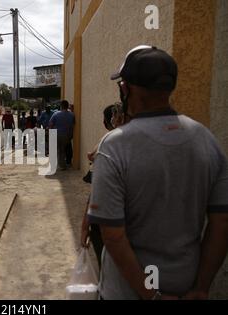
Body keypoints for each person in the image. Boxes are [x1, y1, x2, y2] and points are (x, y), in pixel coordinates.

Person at [87, 45, 228, 300]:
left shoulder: (115, 145)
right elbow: (221, 223)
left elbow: (113, 236)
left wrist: (152, 296)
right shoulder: (206, 139)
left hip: (126, 292)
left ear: (125, 89)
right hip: (185, 286)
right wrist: (201, 288)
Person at [81, 103, 126, 268]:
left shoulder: (110, 142)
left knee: (109, 266)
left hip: (109, 219)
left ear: (118, 118)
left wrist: (85, 225)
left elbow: (97, 193)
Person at [49, 100, 75, 171]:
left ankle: (58, 165)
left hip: (56, 134)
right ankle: (62, 165)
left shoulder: (56, 114)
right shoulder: (72, 115)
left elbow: (50, 124)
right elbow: (73, 125)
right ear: (67, 106)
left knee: (57, 150)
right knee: (62, 150)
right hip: (66, 135)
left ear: (61, 106)